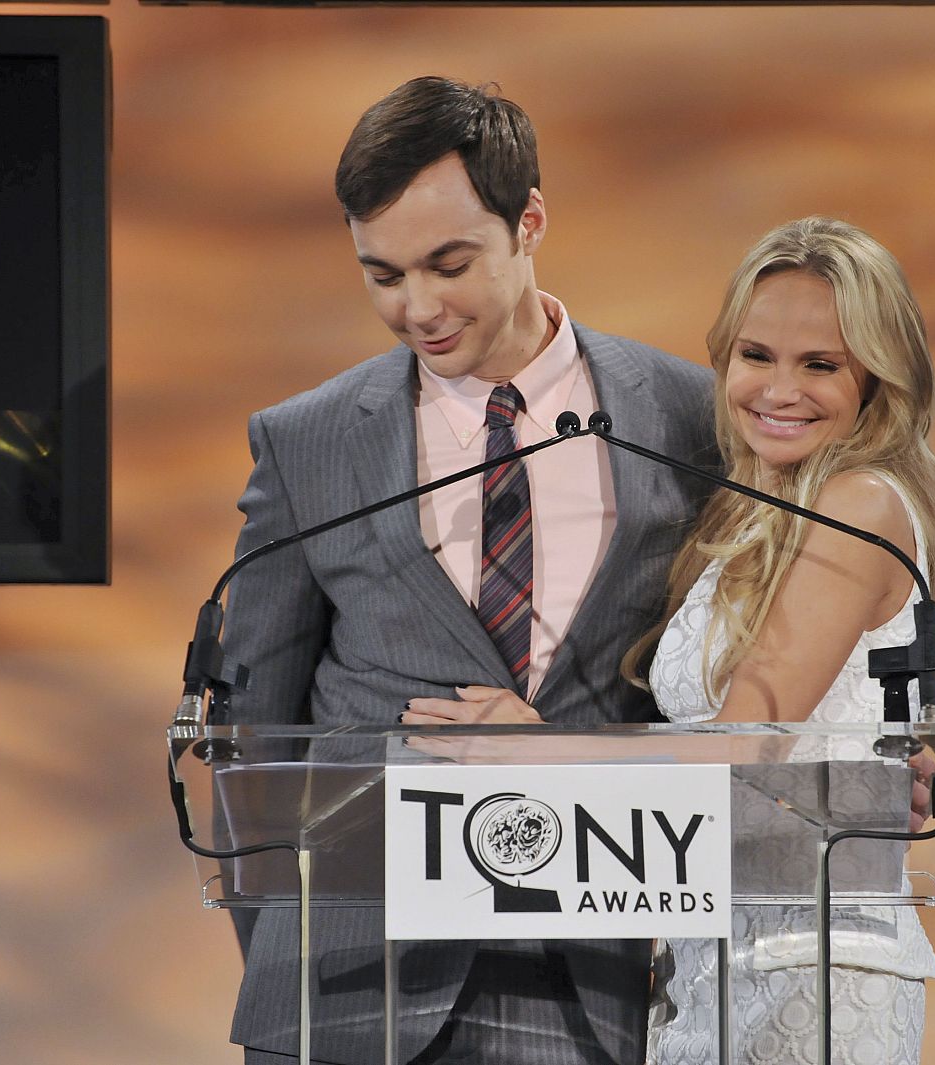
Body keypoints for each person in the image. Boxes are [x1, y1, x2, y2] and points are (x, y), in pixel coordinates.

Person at [222, 75, 717, 1065]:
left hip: (582, 979)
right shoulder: (308, 442)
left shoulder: (686, 418)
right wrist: (287, 944)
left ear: (528, 221)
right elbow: (254, 733)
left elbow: (726, 680)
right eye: (382, 275)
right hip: (346, 980)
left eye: (449, 264)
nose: (417, 307)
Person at [632, 216, 935, 1064]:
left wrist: (523, 756)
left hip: (812, 966)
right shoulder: (752, 513)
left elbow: (745, 746)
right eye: (756, 356)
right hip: (717, 953)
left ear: (876, 381)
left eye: (821, 364)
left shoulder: (859, 504)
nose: (780, 389)